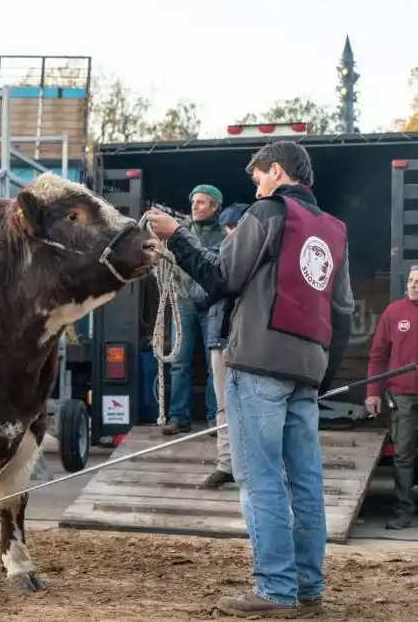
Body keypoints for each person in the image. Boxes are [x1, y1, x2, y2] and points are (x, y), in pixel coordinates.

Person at [145, 140, 354, 618]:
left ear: (276, 171)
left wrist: (177, 236)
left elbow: (220, 276)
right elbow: (342, 314)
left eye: (258, 178)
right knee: (305, 482)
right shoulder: (335, 230)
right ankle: (308, 589)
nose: (256, 188)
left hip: (258, 363)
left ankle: (275, 590)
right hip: (307, 370)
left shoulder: (267, 212)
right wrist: (323, 375)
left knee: (260, 481)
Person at [186, 202, 250, 489]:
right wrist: (222, 280)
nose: (232, 231)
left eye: (237, 226)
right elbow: (197, 293)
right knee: (224, 405)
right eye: (228, 227)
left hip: (253, 340)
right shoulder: (215, 254)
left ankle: (253, 465)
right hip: (221, 339)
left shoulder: (262, 255)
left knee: (255, 404)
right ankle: (226, 465)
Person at [164, 184, 225, 436]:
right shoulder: (179, 231)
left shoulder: (226, 234)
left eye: (201, 202)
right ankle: (178, 418)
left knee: (215, 365)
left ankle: (215, 418)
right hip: (184, 303)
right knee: (179, 363)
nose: (194, 206)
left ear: (215, 206)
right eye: (193, 202)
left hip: (213, 305)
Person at [365, 264, 418, 530]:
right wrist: (373, 392)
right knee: (403, 455)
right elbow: (378, 356)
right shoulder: (393, 312)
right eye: (410, 280)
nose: (413, 285)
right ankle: (404, 512)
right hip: (403, 397)